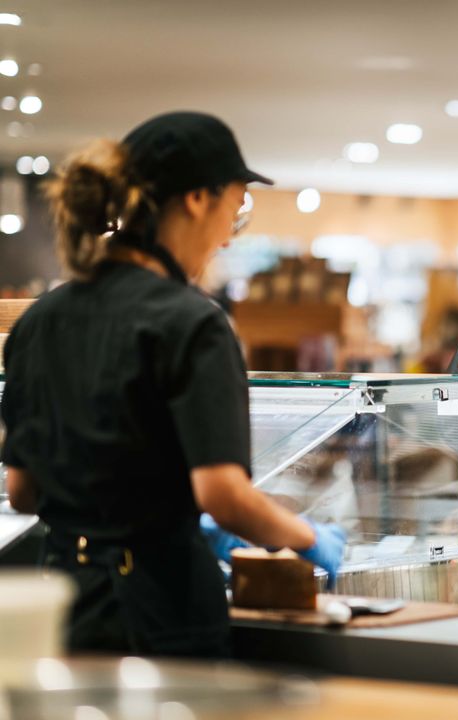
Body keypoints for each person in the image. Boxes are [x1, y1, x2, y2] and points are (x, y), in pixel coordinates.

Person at [1, 111, 346, 657]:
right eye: (234, 210)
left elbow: (23, 490)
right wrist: (309, 540)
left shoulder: (40, 320)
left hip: (64, 603)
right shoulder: (192, 321)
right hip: (160, 609)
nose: (227, 242)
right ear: (196, 199)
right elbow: (223, 496)